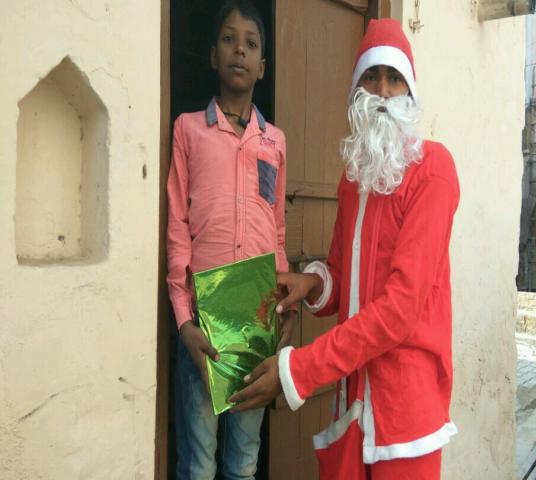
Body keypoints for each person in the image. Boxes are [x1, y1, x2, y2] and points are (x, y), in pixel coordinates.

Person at [229, 18, 460, 479]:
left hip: (404, 415)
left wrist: (298, 370)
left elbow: (399, 309)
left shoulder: (433, 169)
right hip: (352, 402)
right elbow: (341, 275)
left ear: (410, 91)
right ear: (356, 89)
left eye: (394, 78)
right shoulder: (354, 179)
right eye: (371, 77)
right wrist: (310, 284)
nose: (382, 91)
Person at [166, 1, 296, 478]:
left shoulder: (274, 141)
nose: (239, 49)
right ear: (213, 56)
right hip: (202, 322)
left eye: (251, 43)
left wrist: (285, 303)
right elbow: (177, 227)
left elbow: (276, 231)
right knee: (198, 464)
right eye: (228, 39)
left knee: (243, 462)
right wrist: (185, 322)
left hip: (254, 319)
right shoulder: (189, 130)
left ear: (262, 66)